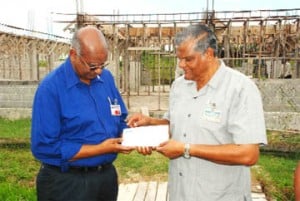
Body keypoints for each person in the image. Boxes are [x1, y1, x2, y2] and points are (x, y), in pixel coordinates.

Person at [127, 24, 268, 201]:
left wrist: (186, 149)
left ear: (208, 54)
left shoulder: (240, 89)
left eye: (188, 59)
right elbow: (176, 127)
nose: (181, 65)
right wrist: (150, 123)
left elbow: (248, 154)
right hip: (181, 193)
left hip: (220, 196)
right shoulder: (179, 87)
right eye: (179, 58)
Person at [31, 26, 134, 201]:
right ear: (73, 55)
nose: (99, 71)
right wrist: (101, 148)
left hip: (105, 179)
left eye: (103, 64)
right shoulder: (51, 88)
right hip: (67, 183)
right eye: (93, 66)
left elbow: (120, 118)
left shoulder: (106, 79)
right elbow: (44, 147)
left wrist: (133, 135)